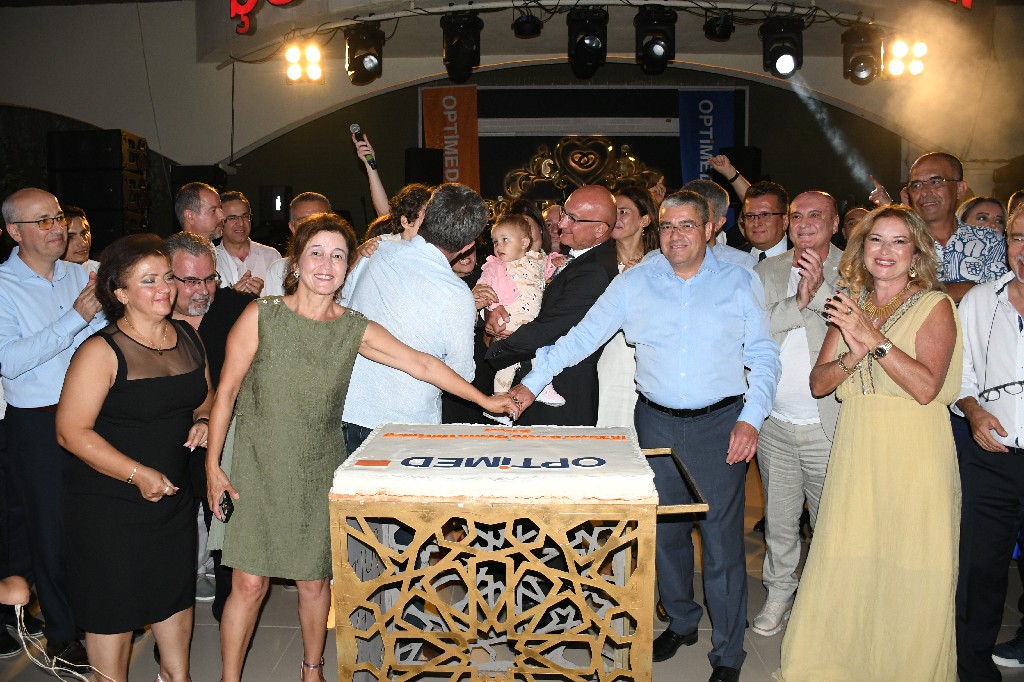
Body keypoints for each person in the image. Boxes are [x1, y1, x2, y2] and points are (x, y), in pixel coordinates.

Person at [204, 213, 515, 682]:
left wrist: (485, 400)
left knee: (314, 580)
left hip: (317, 462)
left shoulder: (353, 327)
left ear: (348, 267)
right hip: (255, 460)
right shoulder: (261, 314)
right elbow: (226, 392)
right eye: (316, 253)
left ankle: (312, 670)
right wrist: (213, 467)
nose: (325, 265)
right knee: (248, 584)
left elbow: (421, 364)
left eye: (337, 256)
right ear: (296, 260)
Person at [509, 190, 780, 682]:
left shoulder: (739, 281)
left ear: (709, 229)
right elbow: (579, 338)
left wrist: (752, 418)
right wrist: (530, 384)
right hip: (655, 421)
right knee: (666, 533)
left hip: (720, 424)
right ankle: (682, 621)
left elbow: (763, 355)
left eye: (687, 225)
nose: (676, 236)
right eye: (669, 226)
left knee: (721, 543)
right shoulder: (634, 283)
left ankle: (727, 653)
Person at [777, 204, 961, 681]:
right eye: (876, 239)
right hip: (857, 445)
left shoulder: (934, 306)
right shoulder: (850, 302)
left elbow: (926, 387)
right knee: (849, 557)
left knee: (908, 562)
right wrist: (853, 355)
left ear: (916, 254)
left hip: (913, 450)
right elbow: (819, 383)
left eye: (899, 241)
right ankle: (842, 664)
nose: (886, 251)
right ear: (861, 249)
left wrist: (872, 338)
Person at [56, 234, 213, 682]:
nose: (165, 288)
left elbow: (205, 394)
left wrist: (203, 419)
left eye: (167, 277)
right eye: (148, 281)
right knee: (113, 607)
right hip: (109, 503)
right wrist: (137, 474)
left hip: (171, 498)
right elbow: (70, 432)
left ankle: (177, 678)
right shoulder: (100, 350)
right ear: (120, 293)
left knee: (173, 596)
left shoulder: (186, 335)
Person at [0, 188, 106, 673]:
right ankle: (64, 634)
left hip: (94, 413)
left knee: (95, 524)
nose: (57, 228)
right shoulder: (4, 285)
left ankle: (102, 617)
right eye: (42, 221)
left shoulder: (81, 275)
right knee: (50, 531)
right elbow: (11, 361)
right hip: (37, 422)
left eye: (59, 217)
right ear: (14, 231)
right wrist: (75, 318)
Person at [750, 191, 843, 637]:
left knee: (831, 523)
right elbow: (751, 332)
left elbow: (857, 329)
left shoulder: (859, 268)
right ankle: (779, 593)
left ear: (835, 223)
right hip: (775, 423)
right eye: (797, 215)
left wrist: (819, 289)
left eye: (816, 215)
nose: (804, 223)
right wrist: (797, 302)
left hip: (830, 425)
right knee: (780, 521)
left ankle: (824, 602)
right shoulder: (768, 270)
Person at [341, 183, 487, 450]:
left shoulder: (375, 251)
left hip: (351, 409)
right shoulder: (456, 294)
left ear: (424, 216)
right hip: (407, 422)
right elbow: (460, 374)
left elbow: (342, 307)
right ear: (468, 245)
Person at [166, 231, 255, 617]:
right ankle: (166, 617)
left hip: (229, 437)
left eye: (210, 279)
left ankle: (228, 611)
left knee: (224, 525)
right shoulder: (150, 316)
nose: (203, 290)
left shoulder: (239, 309)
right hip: (165, 441)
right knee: (170, 537)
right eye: (191, 281)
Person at [954, 205, 1024, 678]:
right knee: (980, 570)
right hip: (990, 458)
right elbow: (961, 373)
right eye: (1018, 238)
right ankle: (974, 668)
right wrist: (974, 410)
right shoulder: (980, 300)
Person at [485, 185, 620, 427]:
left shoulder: (595, 269)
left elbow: (553, 327)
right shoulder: (574, 259)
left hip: (562, 393)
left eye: (573, 219)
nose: (561, 224)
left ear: (600, 228)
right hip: (538, 386)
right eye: (565, 214)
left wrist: (499, 349)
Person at [477, 214, 564, 407]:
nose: (499, 246)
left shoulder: (536, 260)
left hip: (530, 318)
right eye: (495, 242)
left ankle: (500, 400)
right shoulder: (495, 266)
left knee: (510, 363)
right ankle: (540, 386)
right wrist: (493, 307)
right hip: (510, 318)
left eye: (504, 240)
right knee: (539, 348)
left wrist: (555, 261)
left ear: (524, 242)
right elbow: (483, 287)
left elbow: (546, 270)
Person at [596, 185, 659, 428]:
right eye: (613, 212)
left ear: (645, 220)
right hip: (605, 361)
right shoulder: (595, 263)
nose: (616, 218)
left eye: (623, 212)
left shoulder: (660, 264)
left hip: (648, 365)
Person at [263, 192, 333, 297]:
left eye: (320, 220)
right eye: (304, 222)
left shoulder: (347, 267)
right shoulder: (279, 270)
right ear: (292, 228)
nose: (313, 228)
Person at [215, 190, 282, 295]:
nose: (241, 223)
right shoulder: (213, 260)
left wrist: (261, 296)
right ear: (220, 221)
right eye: (232, 218)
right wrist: (231, 297)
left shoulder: (271, 256)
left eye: (245, 216)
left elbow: (285, 300)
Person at [740, 181, 791, 261]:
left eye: (765, 215)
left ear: (785, 221)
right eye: (750, 216)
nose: (756, 223)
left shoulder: (804, 258)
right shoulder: (732, 259)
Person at [62, 206, 99, 272]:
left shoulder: (103, 273)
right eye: (70, 237)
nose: (83, 243)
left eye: (83, 233)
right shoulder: (43, 276)